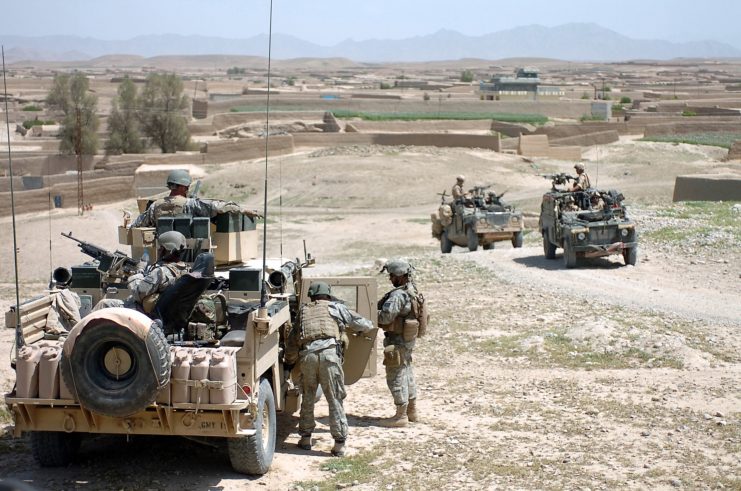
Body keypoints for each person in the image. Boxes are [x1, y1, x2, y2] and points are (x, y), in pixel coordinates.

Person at [285, 281, 374, 457]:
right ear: (328, 294)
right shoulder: (336, 308)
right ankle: (339, 444)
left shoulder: (303, 311)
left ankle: (305, 438)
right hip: (330, 357)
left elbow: (293, 342)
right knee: (334, 398)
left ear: (312, 296)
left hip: (308, 357)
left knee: (308, 396)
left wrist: (288, 364)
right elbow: (362, 324)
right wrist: (367, 329)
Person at [377, 259, 426, 427]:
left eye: (391, 275)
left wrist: (370, 313)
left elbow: (385, 317)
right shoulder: (412, 290)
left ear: (399, 276)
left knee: (395, 375)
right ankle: (412, 411)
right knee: (407, 372)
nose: (390, 279)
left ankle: (400, 416)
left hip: (397, 340)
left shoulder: (398, 295)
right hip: (407, 339)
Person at [93, 230, 189, 314]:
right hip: (165, 311)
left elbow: (138, 293)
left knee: (104, 304)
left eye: (161, 248)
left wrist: (138, 272)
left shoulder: (160, 272)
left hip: (143, 312)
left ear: (167, 251)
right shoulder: (186, 270)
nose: (159, 250)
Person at [131, 169, 261, 228]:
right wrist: (243, 210)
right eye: (187, 187)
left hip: (163, 252)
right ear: (182, 187)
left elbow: (138, 223)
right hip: (188, 254)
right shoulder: (191, 204)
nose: (187, 190)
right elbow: (220, 206)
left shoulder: (155, 206)